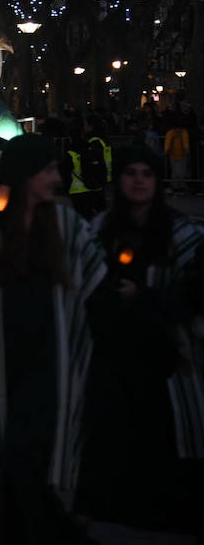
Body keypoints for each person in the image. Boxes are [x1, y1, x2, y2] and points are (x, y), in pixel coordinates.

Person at [0, 134, 106, 542]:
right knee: (14, 477)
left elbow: (96, 293)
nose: (56, 178)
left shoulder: (65, 226)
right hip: (1, 371)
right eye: (47, 170)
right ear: (24, 174)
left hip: (52, 370)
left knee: (20, 472)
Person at [74, 146, 204, 535]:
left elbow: (194, 289)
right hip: (113, 349)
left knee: (166, 429)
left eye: (147, 173)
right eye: (131, 173)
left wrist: (146, 295)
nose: (139, 180)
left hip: (165, 351)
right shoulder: (100, 229)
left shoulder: (181, 233)